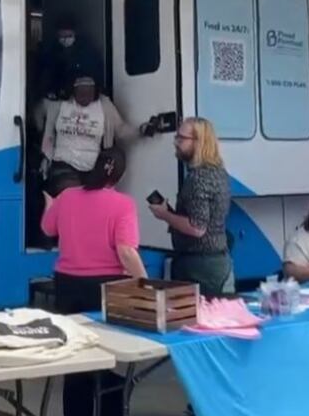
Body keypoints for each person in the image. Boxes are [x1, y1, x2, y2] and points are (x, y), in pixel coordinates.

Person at [41, 148, 143, 416]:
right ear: (119, 177)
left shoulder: (67, 197)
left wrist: (50, 205)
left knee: (76, 359)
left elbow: (48, 228)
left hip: (67, 287)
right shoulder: (123, 204)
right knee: (106, 354)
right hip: (106, 289)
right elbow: (126, 252)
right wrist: (146, 284)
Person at [148, 117, 233, 296]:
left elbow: (197, 227)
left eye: (181, 138)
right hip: (215, 261)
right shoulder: (219, 172)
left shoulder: (198, 179)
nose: (175, 143)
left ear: (198, 142)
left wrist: (165, 215)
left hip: (200, 267)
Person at [41, 74, 152, 196]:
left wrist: (141, 131)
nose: (85, 95)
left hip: (94, 166)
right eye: (81, 90)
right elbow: (47, 134)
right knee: (72, 195)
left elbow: (121, 130)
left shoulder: (104, 105)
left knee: (93, 198)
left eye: (89, 90)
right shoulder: (59, 105)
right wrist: (45, 158)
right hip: (64, 163)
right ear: (73, 89)